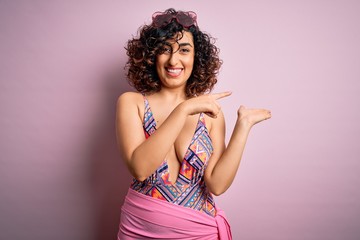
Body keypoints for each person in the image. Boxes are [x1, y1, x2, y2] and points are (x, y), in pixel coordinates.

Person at [116, 8, 271, 240]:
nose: (173, 60)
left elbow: (216, 185)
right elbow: (140, 169)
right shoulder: (132, 103)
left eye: (184, 50)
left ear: (196, 57)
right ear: (151, 56)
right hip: (140, 229)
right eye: (164, 50)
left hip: (199, 232)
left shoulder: (210, 114)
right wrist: (184, 109)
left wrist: (243, 127)